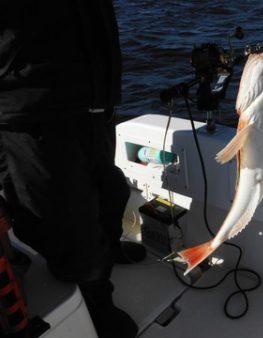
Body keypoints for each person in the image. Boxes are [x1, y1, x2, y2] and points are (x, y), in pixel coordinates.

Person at [0, 1, 145, 337]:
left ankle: (107, 249)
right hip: (33, 104)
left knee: (110, 188)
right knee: (66, 217)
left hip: (94, 91)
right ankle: (93, 295)